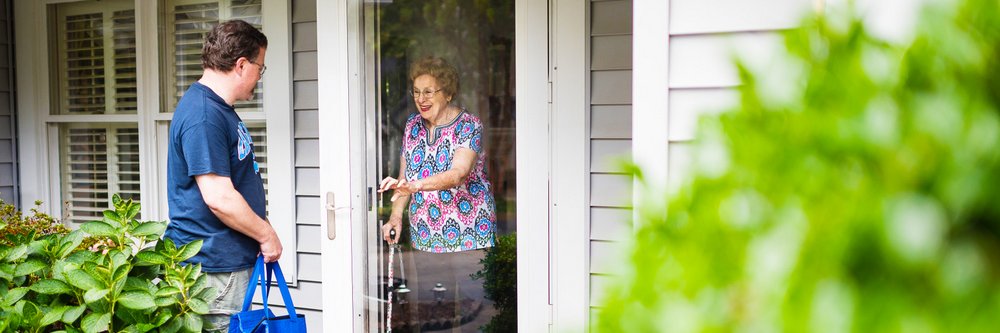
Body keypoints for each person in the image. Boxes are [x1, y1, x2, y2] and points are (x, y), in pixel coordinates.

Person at [164, 20, 282, 332]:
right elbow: (219, 197)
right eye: (260, 68)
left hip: (225, 266)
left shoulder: (217, 109)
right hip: (214, 271)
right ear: (241, 65)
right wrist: (265, 235)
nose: (259, 77)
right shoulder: (204, 115)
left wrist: (260, 223)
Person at [379, 56, 497, 252]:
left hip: (468, 235)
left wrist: (415, 186)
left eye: (428, 92)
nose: (420, 99)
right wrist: (395, 217)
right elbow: (404, 179)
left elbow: (458, 174)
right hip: (424, 236)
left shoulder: (468, 125)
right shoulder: (412, 125)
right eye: (416, 92)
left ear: (448, 94)